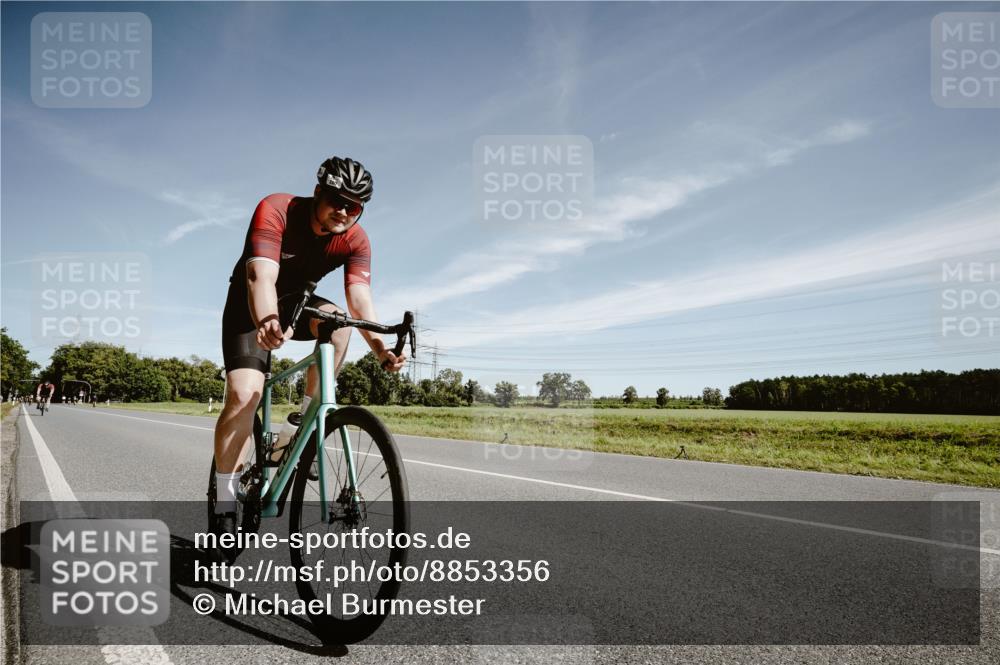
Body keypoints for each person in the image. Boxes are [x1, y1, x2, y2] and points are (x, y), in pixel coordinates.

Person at [212, 156, 406, 547]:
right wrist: (266, 317)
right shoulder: (278, 209)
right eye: (337, 199)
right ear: (318, 193)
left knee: (339, 324)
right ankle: (224, 502)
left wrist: (381, 349)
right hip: (251, 304)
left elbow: (359, 300)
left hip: (300, 306)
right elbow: (260, 275)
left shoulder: (355, 238)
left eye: (355, 206)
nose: (344, 211)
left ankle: (301, 426)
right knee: (245, 394)